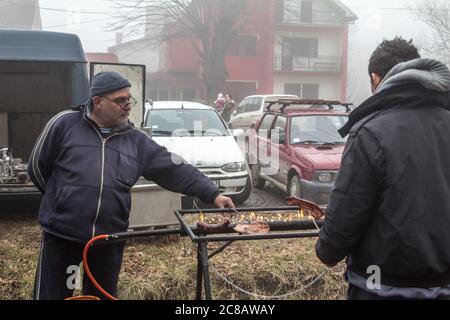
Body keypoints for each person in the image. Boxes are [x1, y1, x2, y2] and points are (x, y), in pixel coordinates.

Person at [28, 71, 234, 300]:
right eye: (120, 100)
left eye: (129, 99)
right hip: (63, 237)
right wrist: (60, 199)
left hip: (108, 240)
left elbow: (174, 168)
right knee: (55, 296)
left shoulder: (136, 140)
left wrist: (213, 193)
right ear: (97, 102)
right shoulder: (64, 124)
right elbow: (37, 167)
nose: (128, 105)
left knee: (102, 297)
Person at [315, 37, 450, 300]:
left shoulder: (370, 132)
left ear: (376, 79)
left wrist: (326, 250)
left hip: (380, 285)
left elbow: (345, 218)